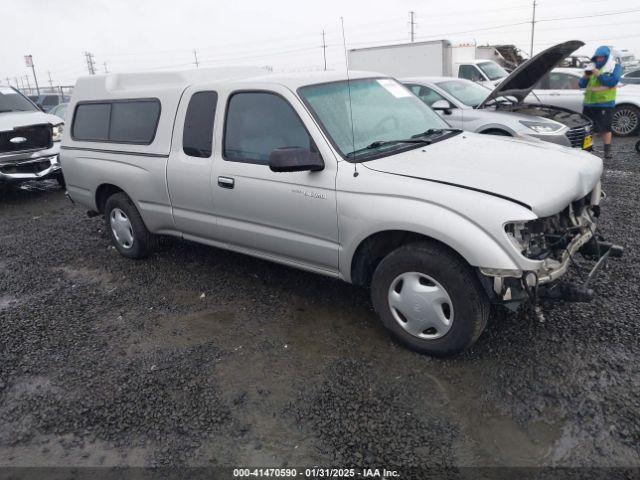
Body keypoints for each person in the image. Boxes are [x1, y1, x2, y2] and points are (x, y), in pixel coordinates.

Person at [579, 46, 622, 160]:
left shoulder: (615, 67)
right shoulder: (592, 66)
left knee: (605, 128)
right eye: (597, 57)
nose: (599, 59)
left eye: (602, 57)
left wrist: (598, 74)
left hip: (605, 104)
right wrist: (585, 76)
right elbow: (581, 84)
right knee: (588, 129)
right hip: (588, 104)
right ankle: (587, 149)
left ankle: (607, 151)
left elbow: (611, 81)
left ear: (607, 57)